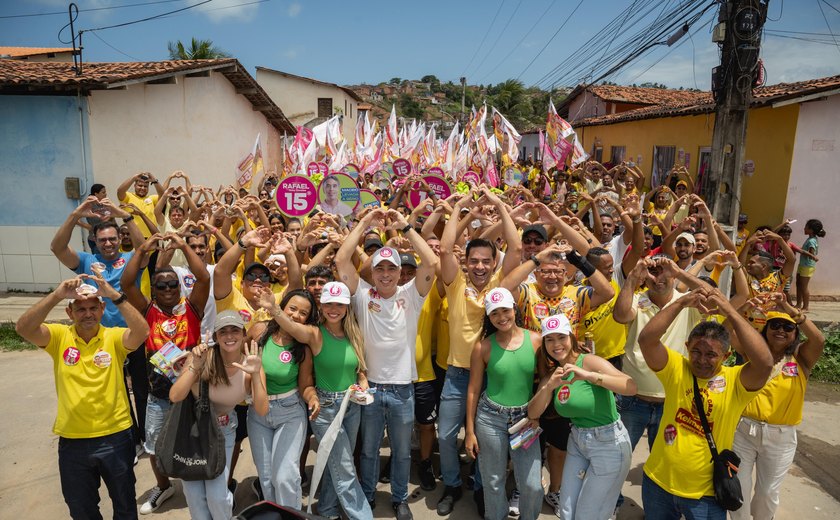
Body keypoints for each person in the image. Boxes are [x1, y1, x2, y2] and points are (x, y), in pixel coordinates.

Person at [15, 274, 150, 519]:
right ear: (70, 312)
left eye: (92, 308)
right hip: (73, 440)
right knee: (81, 510)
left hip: (116, 437)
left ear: (102, 309)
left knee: (125, 508)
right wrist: (56, 295)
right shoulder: (58, 337)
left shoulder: (114, 337)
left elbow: (142, 332)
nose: (87, 314)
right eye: (80, 309)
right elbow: (23, 328)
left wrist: (114, 295)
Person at [334, 208, 439, 520]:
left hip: (403, 390)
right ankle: (367, 495)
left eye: (391, 269)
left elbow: (431, 263)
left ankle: (398, 498)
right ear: (372, 272)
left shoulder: (412, 295)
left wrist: (405, 227)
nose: (385, 274)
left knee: (402, 451)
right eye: (379, 269)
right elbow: (341, 261)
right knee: (368, 450)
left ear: (398, 272)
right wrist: (366, 223)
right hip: (370, 388)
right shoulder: (363, 295)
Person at [637, 287, 773, 520]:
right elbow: (647, 340)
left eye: (711, 354)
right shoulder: (677, 368)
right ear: (687, 346)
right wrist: (681, 303)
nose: (701, 360)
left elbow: (764, 364)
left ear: (726, 356)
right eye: (696, 351)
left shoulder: (735, 382)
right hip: (658, 484)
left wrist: (729, 311)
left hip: (706, 494)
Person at [437, 188, 521, 516]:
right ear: (466, 262)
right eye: (474, 260)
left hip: (492, 376)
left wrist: (500, 206)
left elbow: (515, 247)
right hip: (457, 374)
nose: (480, 266)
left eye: (487, 261)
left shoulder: (501, 284)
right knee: (446, 435)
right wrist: (461, 205)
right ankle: (453, 485)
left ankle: (482, 487)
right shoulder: (455, 283)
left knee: (489, 442)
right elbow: (444, 247)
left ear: (493, 263)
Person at [121, 232, 210, 515]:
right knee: (153, 446)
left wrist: (183, 244)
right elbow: (126, 283)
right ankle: (164, 485)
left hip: (192, 394)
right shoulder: (148, 311)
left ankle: (203, 485)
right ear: (154, 289)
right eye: (162, 286)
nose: (169, 289)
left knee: (197, 442)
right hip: (158, 395)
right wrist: (143, 250)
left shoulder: (192, 309)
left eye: (173, 284)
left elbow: (204, 279)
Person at [529, 313, 636, 520]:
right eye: (549, 339)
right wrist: (548, 387)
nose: (556, 344)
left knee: (589, 514)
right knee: (567, 510)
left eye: (561, 337)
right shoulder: (554, 375)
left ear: (571, 337)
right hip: (577, 441)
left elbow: (630, 386)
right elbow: (533, 412)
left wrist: (589, 376)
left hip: (609, 443)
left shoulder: (589, 361)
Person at [283, 282, 374, 520]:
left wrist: (362, 384)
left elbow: (360, 370)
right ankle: (362, 517)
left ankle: (325, 510)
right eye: (329, 304)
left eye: (339, 304)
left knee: (337, 463)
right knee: (345, 468)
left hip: (352, 405)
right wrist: (273, 309)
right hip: (325, 409)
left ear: (346, 307)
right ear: (321, 306)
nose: (334, 309)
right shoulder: (314, 333)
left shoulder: (354, 332)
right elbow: (292, 327)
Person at [169, 311, 268, 520]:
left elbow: (261, 409)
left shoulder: (251, 364)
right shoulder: (201, 357)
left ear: (243, 334)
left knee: (217, 497)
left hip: (222, 431)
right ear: (216, 336)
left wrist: (255, 375)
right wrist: (195, 365)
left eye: (235, 330)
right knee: (195, 497)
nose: (229, 336)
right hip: (191, 433)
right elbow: (176, 396)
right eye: (223, 331)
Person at [731, 303, 825, 520]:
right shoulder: (752, 353)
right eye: (775, 325)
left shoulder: (802, 358)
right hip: (744, 431)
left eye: (787, 327)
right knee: (739, 488)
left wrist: (791, 311)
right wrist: (743, 309)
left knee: (767, 493)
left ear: (795, 334)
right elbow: (729, 332)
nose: (781, 330)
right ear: (765, 329)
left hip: (780, 437)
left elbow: (818, 340)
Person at [464, 288, 543, 520]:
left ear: (514, 309)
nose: (501, 317)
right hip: (490, 418)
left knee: (532, 485)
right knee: (493, 481)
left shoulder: (536, 340)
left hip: (525, 420)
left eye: (505, 310)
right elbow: (473, 389)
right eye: (494, 313)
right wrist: (469, 430)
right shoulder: (483, 347)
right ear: (489, 317)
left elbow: (546, 380)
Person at [249, 289, 320, 508]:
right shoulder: (260, 332)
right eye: (293, 308)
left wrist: (312, 397)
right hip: (258, 413)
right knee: (267, 479)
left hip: (290, 411)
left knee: (286, 478)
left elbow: (305, 385)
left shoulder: (304, 348)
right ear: (284, 306)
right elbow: (231, 347)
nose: (296, 315)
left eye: (303, 313)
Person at [118, 171, 164, 238]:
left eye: (145, 186)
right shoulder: (128, 196)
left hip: (150, 239)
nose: (142, 188)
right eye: (140, 185)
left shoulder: (152, 198)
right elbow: (120, 191)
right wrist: (134, 177)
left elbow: (163, 195)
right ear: (134, 185)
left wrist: (154, 181)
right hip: (133, 239)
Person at [795, 218, 825, 311]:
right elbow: (805, 250)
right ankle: (798, 304)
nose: (804, 229)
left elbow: (811, 254)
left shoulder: (812, 241)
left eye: (806, 227)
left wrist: (799, 250)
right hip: (803, 265)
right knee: (798, 284)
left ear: (811, 230)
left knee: (804, 286)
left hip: (807, 266)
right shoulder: (810, 239)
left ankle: (805, 307)